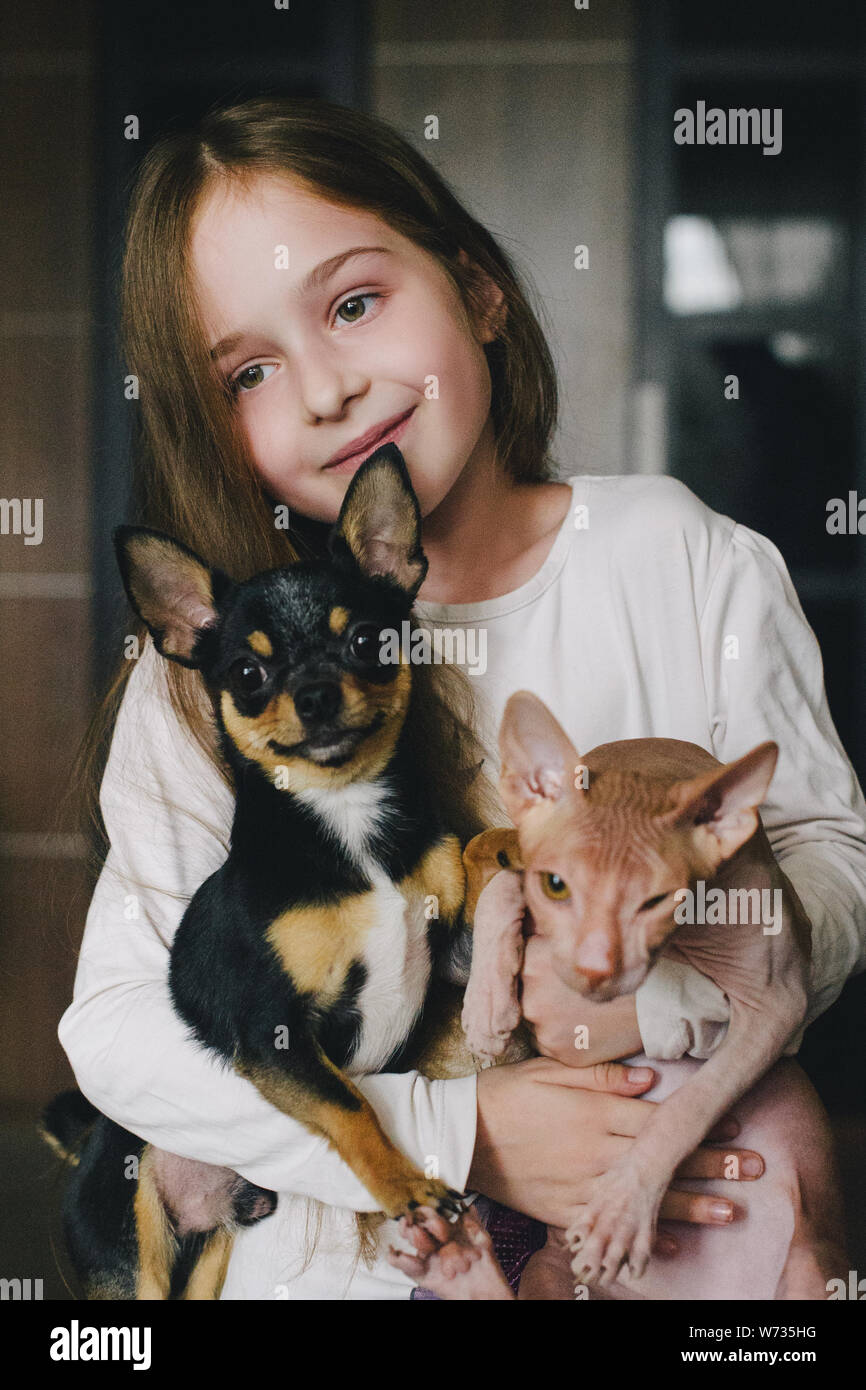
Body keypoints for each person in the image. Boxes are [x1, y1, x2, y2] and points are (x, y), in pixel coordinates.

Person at [58, 96, 866, 1299]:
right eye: (250, 371)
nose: (325, 389)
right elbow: (119, 1036)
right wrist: (458, 1131)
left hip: (658, 1237)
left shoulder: (680, 556)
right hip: (335, 1267)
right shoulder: (217, 689)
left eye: (351, 304)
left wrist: (671, 988)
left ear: (479, 289)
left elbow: (824, 857)